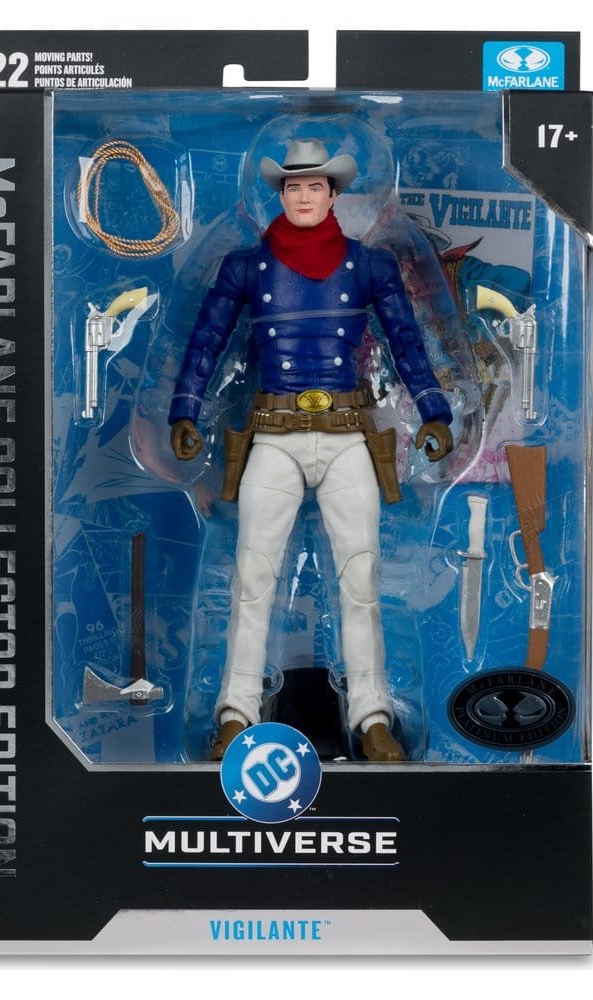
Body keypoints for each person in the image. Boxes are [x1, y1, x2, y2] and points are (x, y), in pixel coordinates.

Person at [169, 139, 453, 762]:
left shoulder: (369, 266)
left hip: (349, 434)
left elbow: (406, 342)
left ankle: (373, 719)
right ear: (280, 193)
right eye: (293, 186)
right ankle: (235, 715)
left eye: (314, 186)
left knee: (361, 580)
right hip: (273, 433)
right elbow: (206, 340)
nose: (303, 196)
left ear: (333, 194)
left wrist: (435, 408)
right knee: (252, 579)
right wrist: (185, 407)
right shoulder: (247, 267)